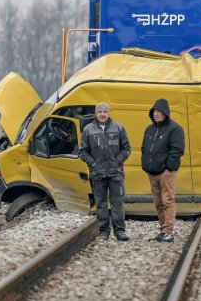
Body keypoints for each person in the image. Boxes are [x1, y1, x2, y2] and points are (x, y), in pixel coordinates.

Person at [79, 102, 132, 241]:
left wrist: (117, 161)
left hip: (116, 174)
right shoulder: (88, 130)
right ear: (96, 114)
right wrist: (94, 164)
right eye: (100, 112)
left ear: (108, 113)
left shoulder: (119, 128)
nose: (102, 114)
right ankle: (104, 232)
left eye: (105, 112)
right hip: (98, 174)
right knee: (101, 203)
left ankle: (120, 231)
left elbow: (127, 148)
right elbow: (83, 152)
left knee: (117, 203)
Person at [141, 98, 185, 242]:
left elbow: (177, 150)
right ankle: (162, 230)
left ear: (166, 113)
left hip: (166, 173)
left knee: (167, 201)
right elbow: (144, 148)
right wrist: (145, 164)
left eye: (159, 111)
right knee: (158, 203)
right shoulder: (149, 129)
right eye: (155, 111)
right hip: (152, 172)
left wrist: (169, 167)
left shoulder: (175, 128)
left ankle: (169, 232)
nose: (157, 114)